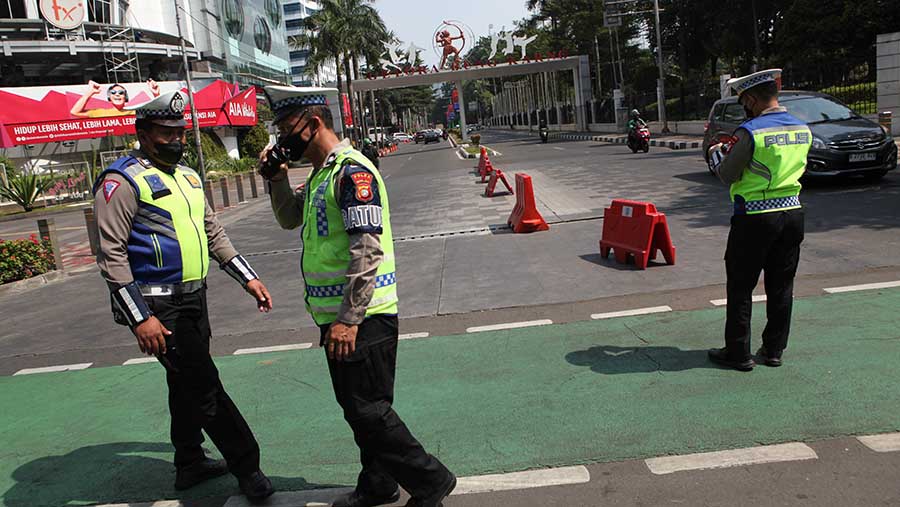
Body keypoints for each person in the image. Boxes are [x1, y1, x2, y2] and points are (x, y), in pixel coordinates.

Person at [259, 85, 456, 507]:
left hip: (364, 317)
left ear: (313, 125)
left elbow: (366, 248)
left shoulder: (353, 173)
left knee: (366, 411)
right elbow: (288, 219)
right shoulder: (321, 174)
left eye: (286, 129)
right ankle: (378, 483)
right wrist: (276, 179)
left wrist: (349, 318)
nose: (281, 140)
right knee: (369, 409)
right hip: (341, 317)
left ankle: (430, 479)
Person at [92, 90, 276, 503]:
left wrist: (247, 278)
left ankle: (189, 462)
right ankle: (248, 466)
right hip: (158, 306)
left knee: (185, 383)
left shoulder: (189, 177)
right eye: (164, 133)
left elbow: (213, 233)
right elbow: (111, 255)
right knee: (205, 386)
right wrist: (140, 318)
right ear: (142, 133)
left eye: (178, 133)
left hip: (195, 299)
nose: (174, 141)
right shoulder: (122, 181)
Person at [706, 69, 811, 371]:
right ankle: (774, 349)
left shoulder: (751, 131)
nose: (745, 108)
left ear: (751, 98)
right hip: (792, 213)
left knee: (741, 286)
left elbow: (728, 173)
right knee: (781, 285)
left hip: (754, 217)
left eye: (744, 102)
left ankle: (738, 353)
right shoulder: (802, 128)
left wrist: (715, 154)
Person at [71, 79, 160, 118]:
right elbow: (75, 112)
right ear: (110, 97)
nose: (117, 95)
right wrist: (90, 93)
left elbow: (158, 112)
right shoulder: (101, 112)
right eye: (113, 93)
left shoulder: (133, 111)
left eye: (121, 93)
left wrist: (156, 94)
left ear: (125, 97)